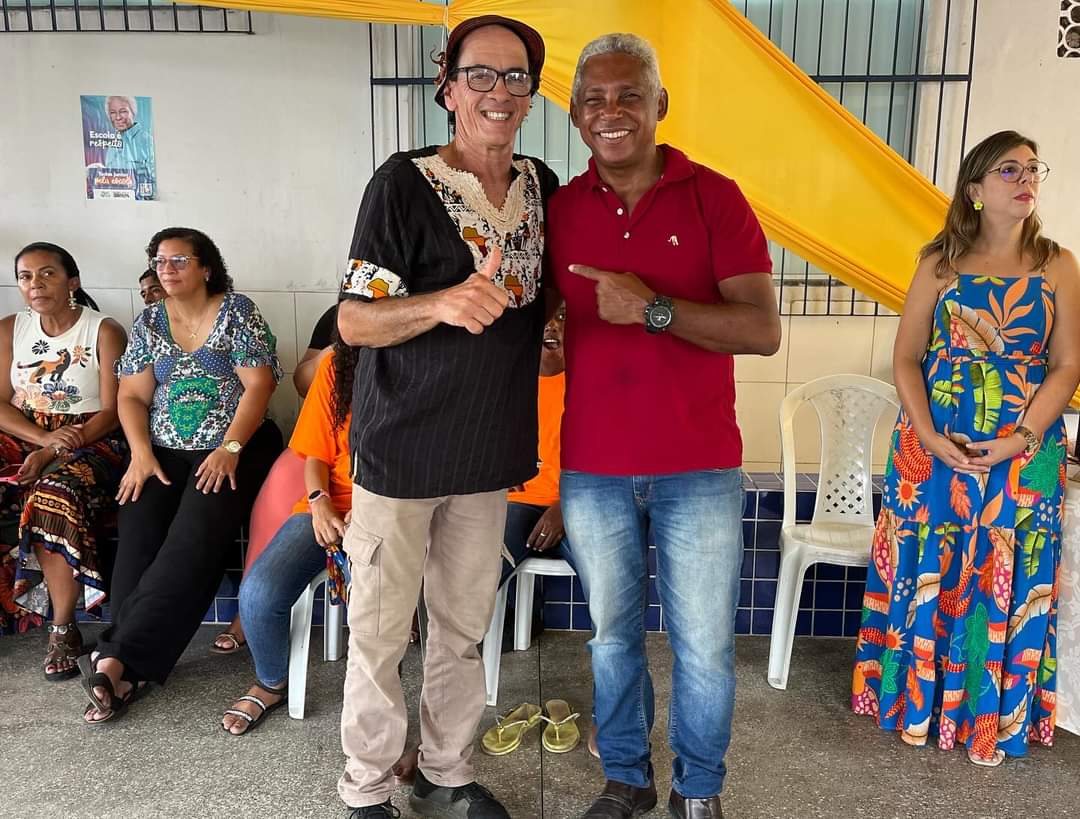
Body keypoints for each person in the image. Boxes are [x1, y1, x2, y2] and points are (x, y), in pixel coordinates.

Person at [547, 34, 781, 819]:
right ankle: (626, 778)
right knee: (611, 637)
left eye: (629, 95)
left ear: (660, 105)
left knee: (704, 646)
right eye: (594, 99)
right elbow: (552, 329)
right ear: (576, 114)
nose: (610, 111)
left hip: (698, 466)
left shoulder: (715, 197)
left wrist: (653, 308)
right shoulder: (560, 211)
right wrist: (547, 341)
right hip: (593, 467)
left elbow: (762, 330)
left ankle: (698, 790)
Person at [334, 15, 558, 818]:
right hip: (400, 450)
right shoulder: (402, 183)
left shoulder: (542, 185)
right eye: (481, 75)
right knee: (380, 632)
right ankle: (366, 787)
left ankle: (446, 770)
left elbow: (543, 307)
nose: (499, 91)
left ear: (531, 93)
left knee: (463, 629)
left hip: (487, 451)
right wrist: (440, 302)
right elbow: (353, 320)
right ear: (449, 86)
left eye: (516, 76)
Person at [852, 130, 1080, 767]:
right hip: (935, 446)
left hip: (1023, 454)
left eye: (1033, 169)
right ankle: (918, 707)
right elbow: (906, 356)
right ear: (975, 189)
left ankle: (989, 721)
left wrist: (1018, 440)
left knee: (1011, 574)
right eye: (1009, 169)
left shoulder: (1058, 265)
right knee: (929, 565)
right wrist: (927, 435)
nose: (1025, 179)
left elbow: (1066, 366)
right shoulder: (940, 263)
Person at [79, 227, 282, 724]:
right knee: (137, 530)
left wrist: (230, 448)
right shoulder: (150, 320)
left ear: (206, 268)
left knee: (191, 540)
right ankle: (124, 667)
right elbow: (131, 395)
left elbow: (260, 385)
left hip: (235, 445)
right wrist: (140, 455)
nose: (166, 269)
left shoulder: (237, 311)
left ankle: (114, 660)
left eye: (179, 260)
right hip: (162, 451)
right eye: (159, 261)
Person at [0, 244, 127, 680]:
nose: (35, 284)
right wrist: (41, 440)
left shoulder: (103, 331)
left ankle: (63, 628)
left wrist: (56, 448)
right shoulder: (10, 329)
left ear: (72, 281)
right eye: (26, 276)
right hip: (28, 431)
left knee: (54, 494)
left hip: (90, 437)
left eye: (47, 273)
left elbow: (113, 410)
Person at [208, 302, 338, 656]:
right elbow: (303, 384)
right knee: (280, 482)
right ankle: (248, 613)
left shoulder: (429, 308)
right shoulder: (341, 314)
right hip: (326, 442)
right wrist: (337, 348)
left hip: (386, 454)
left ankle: (409, 614)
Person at [499, 304, 575, 639]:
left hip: (576, 506)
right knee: (480, 571)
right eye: (545, 318)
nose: (551, 326)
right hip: (516, 505)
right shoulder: (507, 383)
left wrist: (566, 507)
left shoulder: (589, 387)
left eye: (562, 318)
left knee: (611, 581)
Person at [103, 96, 155, 199]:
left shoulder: (147, 141)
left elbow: (155, 181)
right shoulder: (112, 144)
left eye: (123, 111)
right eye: (112, 113)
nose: (118, 117)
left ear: (133, 112)